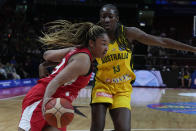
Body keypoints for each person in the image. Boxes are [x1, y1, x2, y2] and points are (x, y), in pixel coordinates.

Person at [41, 4, 196, 131]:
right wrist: (57, 61)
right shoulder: (95, 37)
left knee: (123, 129)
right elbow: (77, 53)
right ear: (100, 19)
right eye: (103, 16)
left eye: (110, 16)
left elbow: (161, 41)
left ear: (117, 18)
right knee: (97, 127)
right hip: (103, 85)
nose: (107, 19)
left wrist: (192, 49)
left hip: (122, 88)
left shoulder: (128, 33)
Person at [18, 20, 109, 131]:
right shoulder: (84, 60)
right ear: (91, 43)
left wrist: (59, 61)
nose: (106, 48)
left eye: (107, 45)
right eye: (103, 44)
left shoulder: (76, 50)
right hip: (42, 99)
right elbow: (55, 82)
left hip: (57, 105)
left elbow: (47, 55)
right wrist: (45, 102)